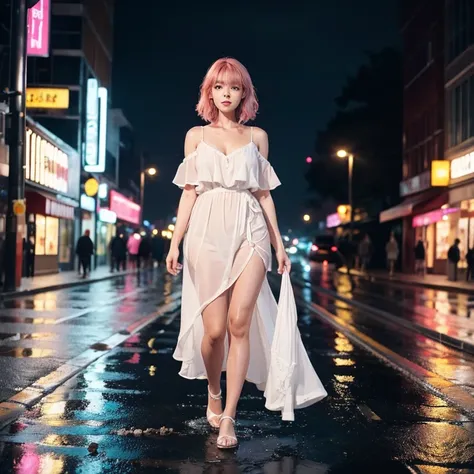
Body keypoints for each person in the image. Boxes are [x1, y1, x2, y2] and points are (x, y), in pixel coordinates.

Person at [165, 58, 326, 449]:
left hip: (250, 229)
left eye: (234, 88)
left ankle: (229, 418)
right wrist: (175, 240)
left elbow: (264, 194)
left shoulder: (257, 137)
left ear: (244, 94)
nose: (226, 94)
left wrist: (278, 244)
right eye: (219, 87)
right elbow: (188, 192)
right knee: (214, 330)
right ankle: (214, 391)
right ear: (209, 92)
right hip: (205, 233)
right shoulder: (195, 136)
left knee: (240, 323)